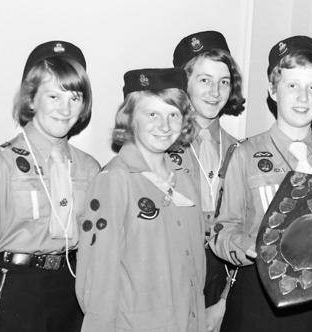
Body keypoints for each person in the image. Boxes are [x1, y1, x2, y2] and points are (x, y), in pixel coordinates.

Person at [208, 36, 312, 332]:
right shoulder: (244, 154)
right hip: (259, 296)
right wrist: (251, 248)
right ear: (273, 90)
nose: (303, 98)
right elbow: (221, 231)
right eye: (292, 86)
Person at [0, 41, 100, 332]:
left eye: (75, 97)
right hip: (16, 292)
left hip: (72, 293)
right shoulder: (0, 164)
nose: (65, 109)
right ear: (31, 99)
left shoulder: (89, 168)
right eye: (53, 96)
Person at [75, 68, 206, 331]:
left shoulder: (185, 180)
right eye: (152, 114)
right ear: (130, 118)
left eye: (173, 114)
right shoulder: (113, 180)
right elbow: (98, 277)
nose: (165, 126)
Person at [172, 30, 245, 332]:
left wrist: (225, 301)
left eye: (224, 82)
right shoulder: (159, 148)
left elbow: (248, 231)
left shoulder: (243, 152)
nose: (215, 92)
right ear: (184, 84)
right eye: (204, 80)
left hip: (223, 281)